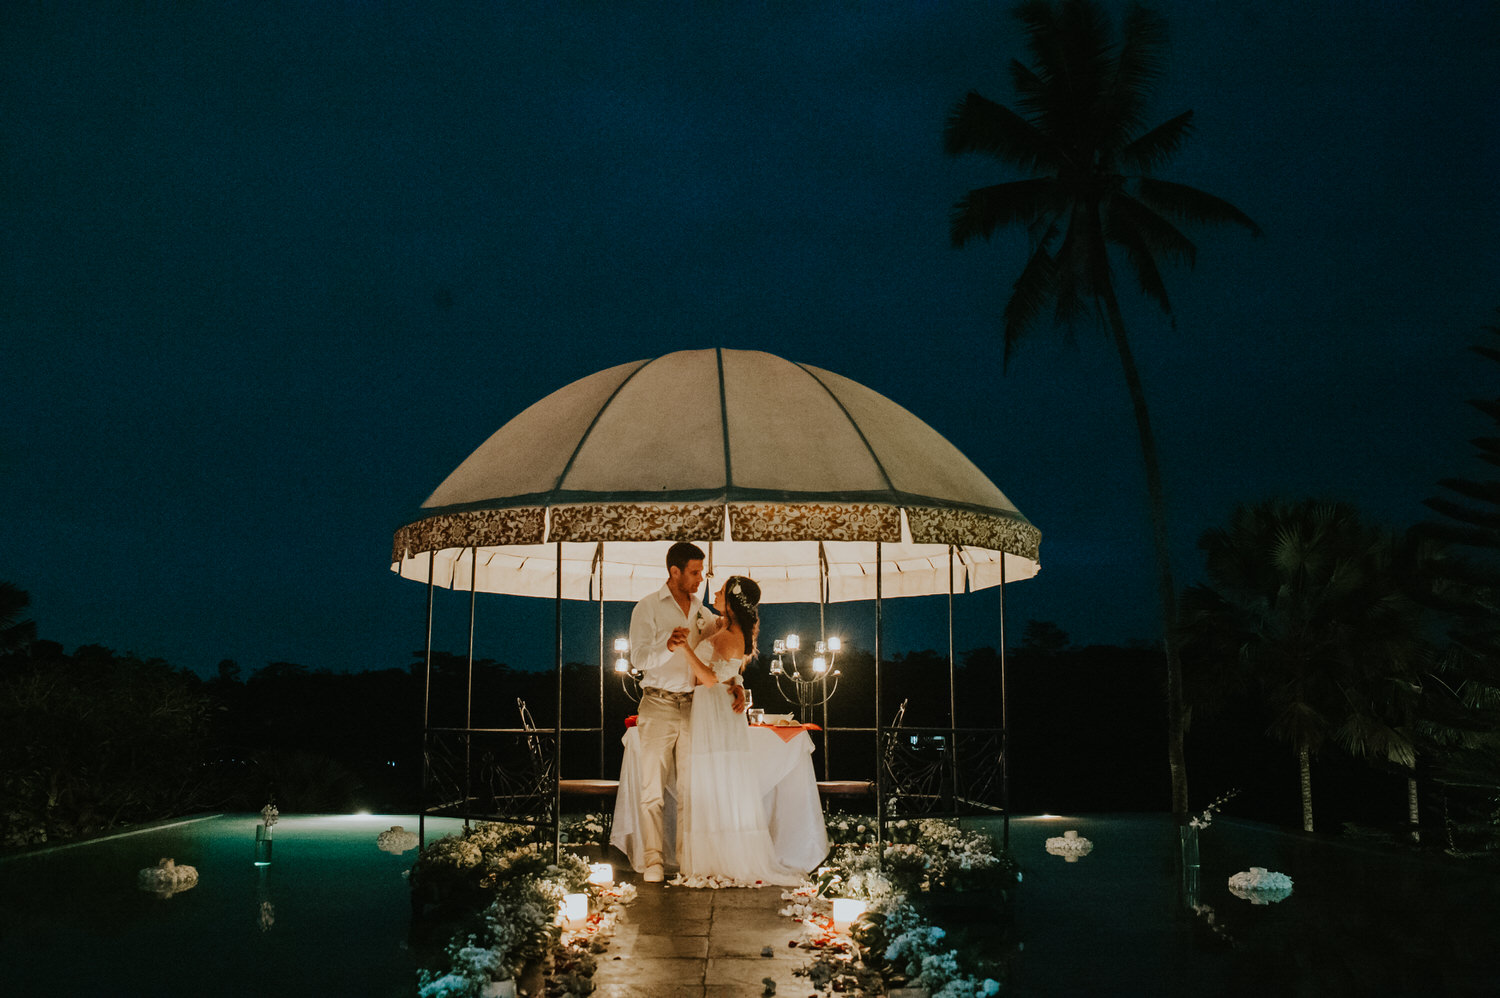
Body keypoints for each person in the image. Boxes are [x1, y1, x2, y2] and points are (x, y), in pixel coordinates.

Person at [676, 575, 806, 886]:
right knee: (714, 779)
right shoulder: (722, 627)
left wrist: (684, 649)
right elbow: (727, 674)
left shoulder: (730, 635)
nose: (716, 592)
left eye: (721, 590)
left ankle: (723, 857)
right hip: (714, 706)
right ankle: (714, 855)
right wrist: (738, 685)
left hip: (715, 711)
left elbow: (708, 678)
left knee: (718, 778)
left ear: (733, 601)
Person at [627, 541, 745, 882]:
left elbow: (719, 654)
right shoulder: (647, 608)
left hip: (695, 708)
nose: (700, 579)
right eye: (694, 572)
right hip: (658, 703)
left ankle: (687, 861)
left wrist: (735, 681)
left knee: (692, 791)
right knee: (653, 789)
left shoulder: (703, 612)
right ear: (674, 571)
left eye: (701, 572)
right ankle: (653, 861)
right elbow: (638, 659)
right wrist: (667, 647)